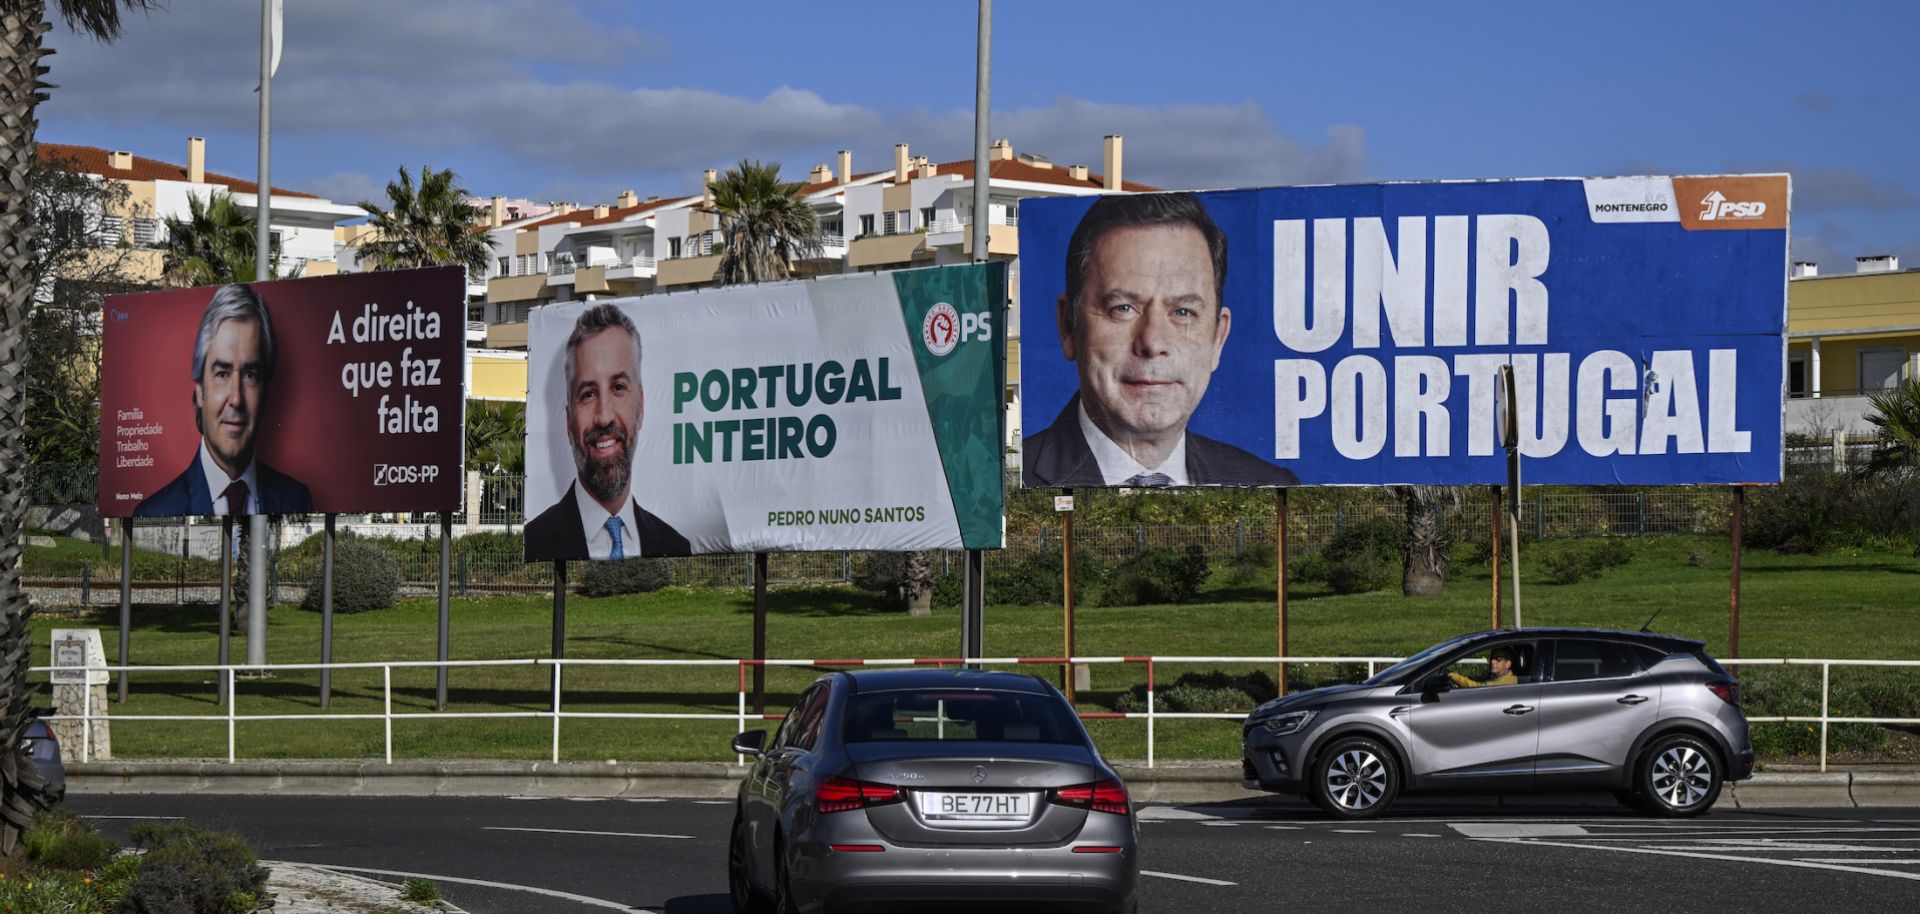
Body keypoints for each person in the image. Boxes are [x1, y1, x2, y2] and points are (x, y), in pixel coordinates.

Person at [1021, 193, 1298, 487]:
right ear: (1068, 327)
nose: (1152, 343)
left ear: (1218, 338)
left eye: (1182, 312)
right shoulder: (1003, 483)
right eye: (1123, 309)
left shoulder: (1271, 486)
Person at [525, 303, 690, 560]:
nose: (604, 417)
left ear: (641, 406)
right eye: (588, 394)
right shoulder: (537, 541)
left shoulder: (675, 544)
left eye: (618, 388)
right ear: (569, 420)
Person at [135, 284, 312, 517]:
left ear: (265, 389)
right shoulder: (154, 513)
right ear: (199, 390)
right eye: (222, 374)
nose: (236, 399)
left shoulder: (296, 500)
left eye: (250, 375)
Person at [1449, 646, 1519, 688]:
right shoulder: (1499, 676)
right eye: (1492, 658)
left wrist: (1454, 676)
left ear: (1508, 664)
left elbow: (1477, 687)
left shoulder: (1505, 681)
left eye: (1498, 659)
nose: (1492, 661)